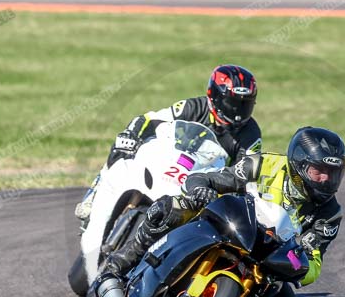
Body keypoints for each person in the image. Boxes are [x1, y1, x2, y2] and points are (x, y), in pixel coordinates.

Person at [89, 127, 345, 297]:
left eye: (333, 173)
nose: (326, 180)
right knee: (170, 208)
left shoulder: (330, 213)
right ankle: (117, 266)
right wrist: (201, 187)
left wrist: (298, 266)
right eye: (319, 172)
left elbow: (314, 260)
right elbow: (213, 178)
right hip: (230, 226)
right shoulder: (263, 164)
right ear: (298, 166)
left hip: (267, 259)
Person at [75, 64, 262, 222]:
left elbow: (247, 175)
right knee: (122, 147)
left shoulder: (251, 133)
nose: (237, 111)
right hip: (173, 161)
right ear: (214, 96)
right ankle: (95, 194)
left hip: (204, 182)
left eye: (245, 104)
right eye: (232, 103)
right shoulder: (194, 107)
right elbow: (150, 119)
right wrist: (130, 134)